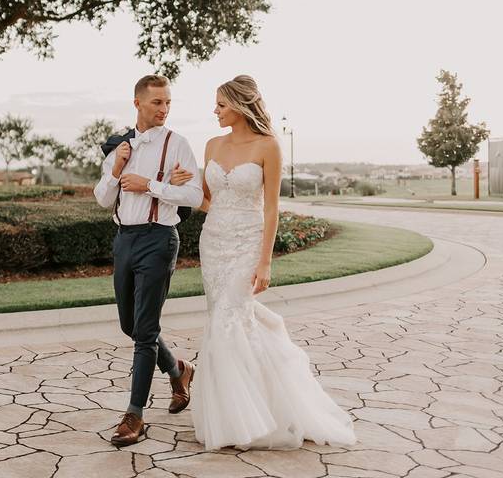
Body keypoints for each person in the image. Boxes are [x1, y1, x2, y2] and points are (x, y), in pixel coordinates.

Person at [169, 75, 356, 450]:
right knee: (225, 322)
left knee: (228, 320)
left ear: (239, 105)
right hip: (214, 243)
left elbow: (272, 209)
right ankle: (233, 416)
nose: (215, 111)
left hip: (247, 244)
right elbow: (205, 200)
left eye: (221, 104)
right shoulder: (211, 145)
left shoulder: (268, 146)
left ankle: (247, 420)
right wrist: (180, 186)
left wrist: (265, 263)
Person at [93, 74, 204, 447]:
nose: (164, 109)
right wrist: (117, 169)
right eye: (157, 102)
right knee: (131, 326)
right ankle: (178, 371)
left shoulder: (178, 144)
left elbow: (192, 195)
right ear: (138, 103)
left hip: (159, 239)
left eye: (168, 102)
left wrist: (152, 185)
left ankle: (135, 416)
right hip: (124, 240)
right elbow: (103, 198)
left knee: (145, 332)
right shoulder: (119, 146)